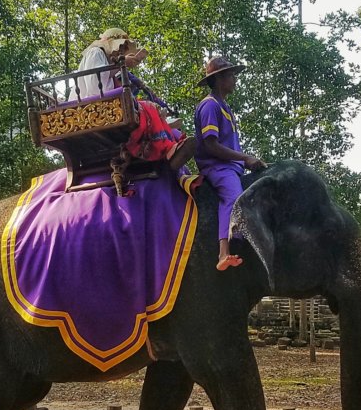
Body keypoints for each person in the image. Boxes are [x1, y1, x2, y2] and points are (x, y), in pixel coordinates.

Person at [75, 28, 193, 170]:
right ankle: (161, 149)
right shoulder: (96, 52)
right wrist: (121, 64)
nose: (121, 52)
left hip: (102, 104)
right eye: (121, 47)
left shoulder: (104, 58)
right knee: (147, 106)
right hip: (92, 107)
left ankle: (167, 146)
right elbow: (96, 87)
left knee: (147, 106)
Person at [193, 56, 266, 271]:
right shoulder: (209, 106)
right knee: (234, 198)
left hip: (232, 167)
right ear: (217, 80)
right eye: (231, 75)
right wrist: (245, 158)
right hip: (216, 166)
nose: (235, 79)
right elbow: (211, 146)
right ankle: (223, 253)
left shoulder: (225, 107)